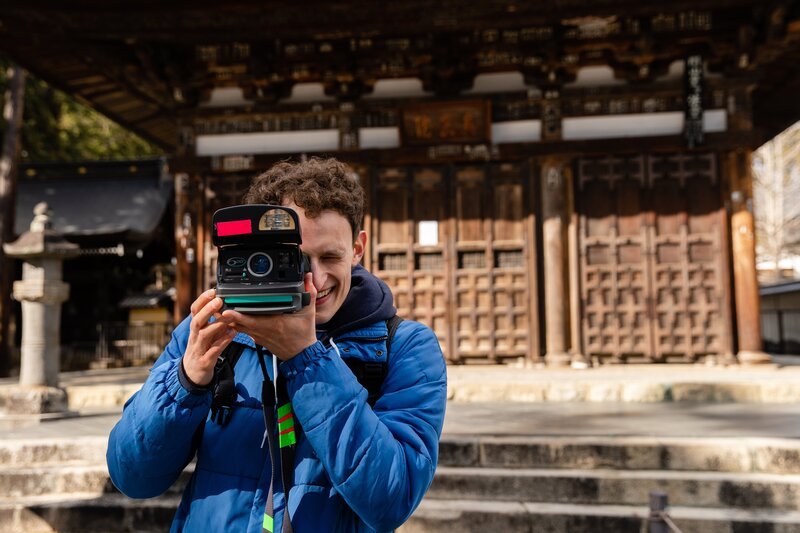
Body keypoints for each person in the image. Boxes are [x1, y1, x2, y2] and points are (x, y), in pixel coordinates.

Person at [107, 157, 447, 533]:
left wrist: (306, 359)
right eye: (295, 260)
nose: (315, 280)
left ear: (358, 248)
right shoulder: (213, 330)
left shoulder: (406, 347)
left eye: (330, 257)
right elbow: (132, 476)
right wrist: (186, 383)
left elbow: (391, 500)